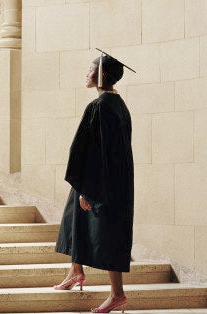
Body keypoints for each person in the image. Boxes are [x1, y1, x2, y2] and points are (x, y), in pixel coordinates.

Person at [54, 51, 135, 314]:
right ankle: (75, 271)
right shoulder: (118, 104)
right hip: (113, 179)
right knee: (73, 216)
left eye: (90, 69)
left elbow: (90, 151)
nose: (87, 73)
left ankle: (117, 295)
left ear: (101, 75)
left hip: (102, 181)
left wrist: (88, 189)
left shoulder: (99, 107)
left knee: (109, 233)